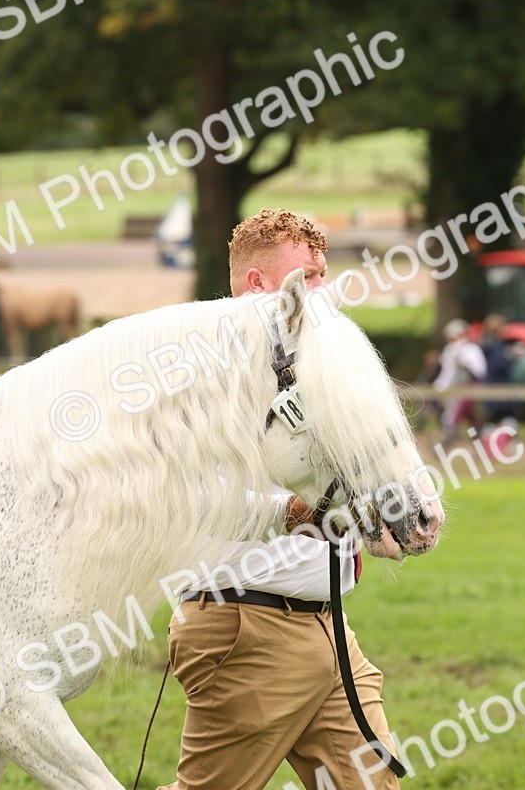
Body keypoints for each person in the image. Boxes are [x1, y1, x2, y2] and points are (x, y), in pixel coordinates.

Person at [159, 209, 400, 790]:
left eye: (323, 275)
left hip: (330, 631)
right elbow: (184, 496)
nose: (321, 291)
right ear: (258, 285)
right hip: (246, 627)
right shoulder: (198, 379)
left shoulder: (307, 372)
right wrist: (286, 511)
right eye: (306, 278)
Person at [433, 318, 486, 445]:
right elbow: (447, 372)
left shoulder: (472, 350)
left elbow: (480, 372)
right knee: (468, 418)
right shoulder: (449, 350)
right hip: (454, 389)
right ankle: (480, 444)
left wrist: (464, 361)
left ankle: (445, 445)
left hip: (469, 388)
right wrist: (439, 387)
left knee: (456, 416)